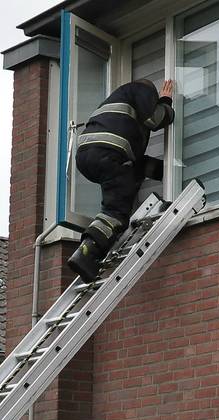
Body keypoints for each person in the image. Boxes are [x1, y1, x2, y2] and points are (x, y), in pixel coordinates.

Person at [67, 77, 176, 283]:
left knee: (123, 181)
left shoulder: (116, 106)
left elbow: (137, 166)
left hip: (87, 156)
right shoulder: (141, 89)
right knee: (115, 211)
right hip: (108, 152)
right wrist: (166, 102)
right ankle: (87, 251)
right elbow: (155, 119)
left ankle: (95, 247)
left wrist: (168, 172)